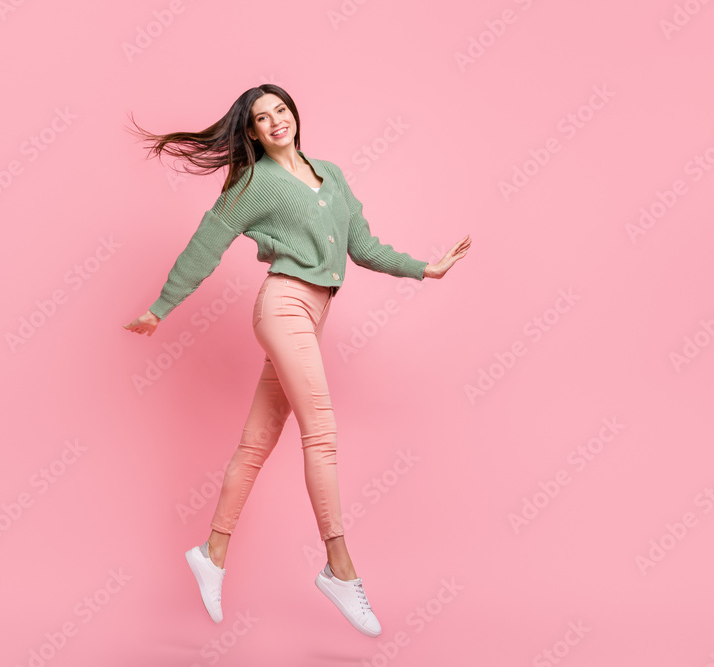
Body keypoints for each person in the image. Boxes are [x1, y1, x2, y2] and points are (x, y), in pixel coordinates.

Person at [124, 84, 471, 637]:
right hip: (283, 305)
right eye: (262, 118)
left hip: (314, 314)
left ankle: (210, 554)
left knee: (256, 443)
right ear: (252, 132)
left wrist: (423, 268)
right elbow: (205, 244)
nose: (275, 121)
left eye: (280, 110)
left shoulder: (329, 173)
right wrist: (160, 307)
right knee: (323, 433)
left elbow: (362, 245)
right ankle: (340, 567)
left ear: (293, 114)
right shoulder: (254, 182)